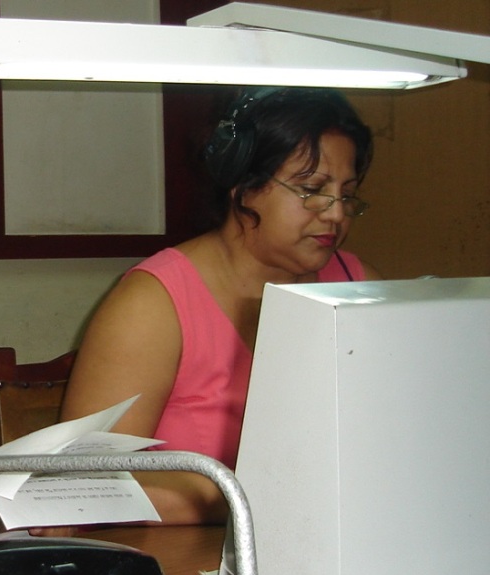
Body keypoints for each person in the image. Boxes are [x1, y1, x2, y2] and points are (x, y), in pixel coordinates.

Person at [60, 87, 380, 524]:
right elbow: (86, 482)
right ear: (244, 186)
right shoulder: (153, 304)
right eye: (311, 190)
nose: (335, 214)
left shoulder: (357, 285)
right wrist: (254, 493)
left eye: (347, 194)